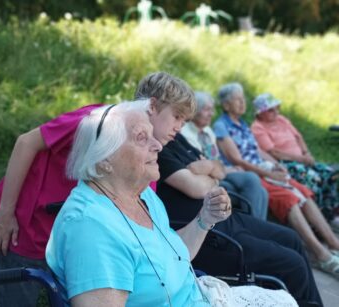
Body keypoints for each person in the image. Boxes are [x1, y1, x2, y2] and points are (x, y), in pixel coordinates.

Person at [46, 103, 297, 306]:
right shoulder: (91, 228)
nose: (157, 145)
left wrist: (205, 219)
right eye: (141, 138)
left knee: (285, 299)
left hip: (199, 296)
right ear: (104, 160)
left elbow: (174, 256)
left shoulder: (141, 195)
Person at [0, 71, 195, 306]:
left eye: (184, 122)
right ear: (153, 105)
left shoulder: (144, 161)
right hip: (29, 226)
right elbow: (26, 142)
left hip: (80, 242)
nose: (179, 127)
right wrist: (5, 212)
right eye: (177, 116)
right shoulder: (100, 121)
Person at [157, 133, 323, 306]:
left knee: (292, 238)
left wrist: (209, 170)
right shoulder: (158, 150)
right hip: (210, 236)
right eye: (176, 116)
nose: (180, 122)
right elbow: (196, 187)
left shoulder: (177, 138)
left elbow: (219, 169)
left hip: (226, 218)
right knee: (293, 264)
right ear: (154, 109)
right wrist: (210, 175)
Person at [212, 82, 339, 279]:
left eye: (242, 98)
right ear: (226, 105)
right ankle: (321, 255)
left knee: (303, 192)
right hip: (251, 175)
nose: (242, 102)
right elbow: (237, 159)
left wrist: (277, 165)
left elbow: (258, 150)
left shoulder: (242, 123)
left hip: (265, 170)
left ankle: (333, 243)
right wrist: (270, 174)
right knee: (289, 198)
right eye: (237, 99)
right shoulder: (221, 125)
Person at [251, 93, 339, 230]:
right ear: (260, 113)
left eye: (276, 108)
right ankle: (320, 219)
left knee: (330, 174)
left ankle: (331, 213)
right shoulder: (258, 127)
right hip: (287, 163)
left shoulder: (281, 119)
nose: (276, 112)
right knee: (313, 179)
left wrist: (306, 153)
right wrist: (301, 159)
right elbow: (274, 152)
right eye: (270, 110)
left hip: (302, 159)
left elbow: (298, 137)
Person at [181, 91, 268, 220]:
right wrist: (223, 168)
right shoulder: (185, 133)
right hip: (207, 177)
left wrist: (225, 168)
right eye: (207, 110)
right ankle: (254, 225)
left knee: (262, 192)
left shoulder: (208, 131)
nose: (211, 114)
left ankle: (258, 226)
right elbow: (199, 165)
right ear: (194, 111)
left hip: (220, 171)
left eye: (212, 109)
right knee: (250, 178)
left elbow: (214, 159)